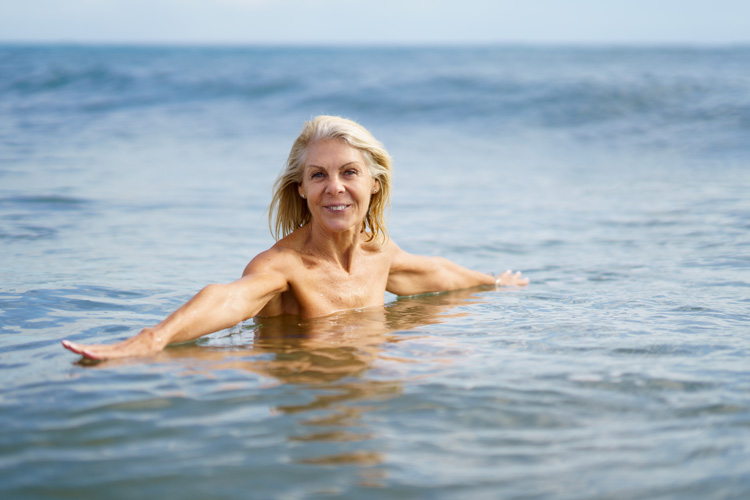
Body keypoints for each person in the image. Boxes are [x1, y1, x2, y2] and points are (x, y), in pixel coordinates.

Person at [62, 115, 528, 360]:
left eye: (349, 172)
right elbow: (227, 300)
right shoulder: (283, 266)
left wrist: (491, 283)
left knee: (448, 357)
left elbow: (435, 272)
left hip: (358, 385)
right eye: (318, 175)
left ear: (374, 184)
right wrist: (153, 340)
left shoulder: (378, 253)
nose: (335, 188)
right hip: (299, 382)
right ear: (300, 188)